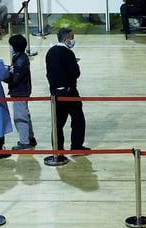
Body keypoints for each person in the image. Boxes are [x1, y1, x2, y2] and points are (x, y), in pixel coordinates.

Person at [45, 27, 88, 160]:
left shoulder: (50, 52)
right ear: (65, 39)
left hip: (54, 93)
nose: (73, 40)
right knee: (78, 119)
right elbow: (75, 73)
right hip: (69, 92)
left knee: (57, 122)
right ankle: (76, 146)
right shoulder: (68, 53)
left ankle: (57, 150)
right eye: (71, 37)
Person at [6, 33, 37, 151]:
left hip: (20, 92)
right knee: (25, 114)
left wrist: (3, 76)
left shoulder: (20, 60)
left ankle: (25, 142)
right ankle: (30, 138)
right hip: (23, 90)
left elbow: (14, 78)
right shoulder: (21, 57)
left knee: (20, 117)